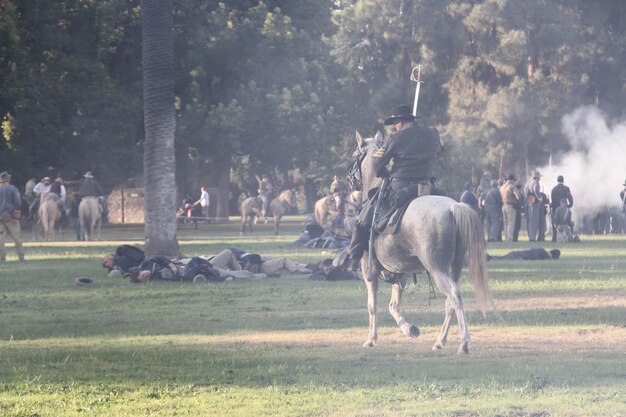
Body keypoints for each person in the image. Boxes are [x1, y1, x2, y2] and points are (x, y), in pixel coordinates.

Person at [347, 104, 441, 270]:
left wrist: (384, 172)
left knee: (362, 221)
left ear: (400, 122)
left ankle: (354, 258)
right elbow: (439, 153)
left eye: (395, 124)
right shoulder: (433, 134)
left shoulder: (396, 138)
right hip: (428, 185)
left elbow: (376, 164)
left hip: (400, 186)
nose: (395, 127)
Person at [0, 172, 25, 262]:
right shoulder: (12, 188)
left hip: (0, 216)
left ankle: (2, 258)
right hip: (11, 215)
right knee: (16, 237)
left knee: (1, 238)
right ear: (8, 179)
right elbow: (18, 201)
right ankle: (21, 257)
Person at [550, 175, 574, 242]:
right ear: (563, 180)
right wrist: (570, 205)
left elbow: (552, 200)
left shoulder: (554, 189)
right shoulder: (566, 188)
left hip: (556, 208)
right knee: (567, 222)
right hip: (564, 208)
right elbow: (570, 197)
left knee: (555, 223)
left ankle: (555, 237)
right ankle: (569, 237)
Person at [499, 173, 522, 242]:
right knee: (511, 223)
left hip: (504, 205)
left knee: (506, 223)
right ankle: (509, 238)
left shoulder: (502, 187)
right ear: (511, 180)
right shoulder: (512, 186)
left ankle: (506, 237)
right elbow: (518, 196)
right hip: (511, 206)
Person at [525, 171, 543, 241]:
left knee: (531, 221)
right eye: (539, 177)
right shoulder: (536, 183)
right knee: (534, 222)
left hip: (530, 202)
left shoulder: (530, 183)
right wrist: (540, 198)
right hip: (535, 203)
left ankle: (531, 236)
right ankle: (532, 237)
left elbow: (526, 191)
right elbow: (536, 191)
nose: (540, 178)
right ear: (537, 177)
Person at [487, 248, 561, 261]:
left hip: (517, 253)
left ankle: (491, 257)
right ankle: (490, 257)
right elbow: (533, 257)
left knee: (503, 258)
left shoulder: (542, 250)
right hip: (519, 256)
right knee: (503, 258)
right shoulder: (545, 254)